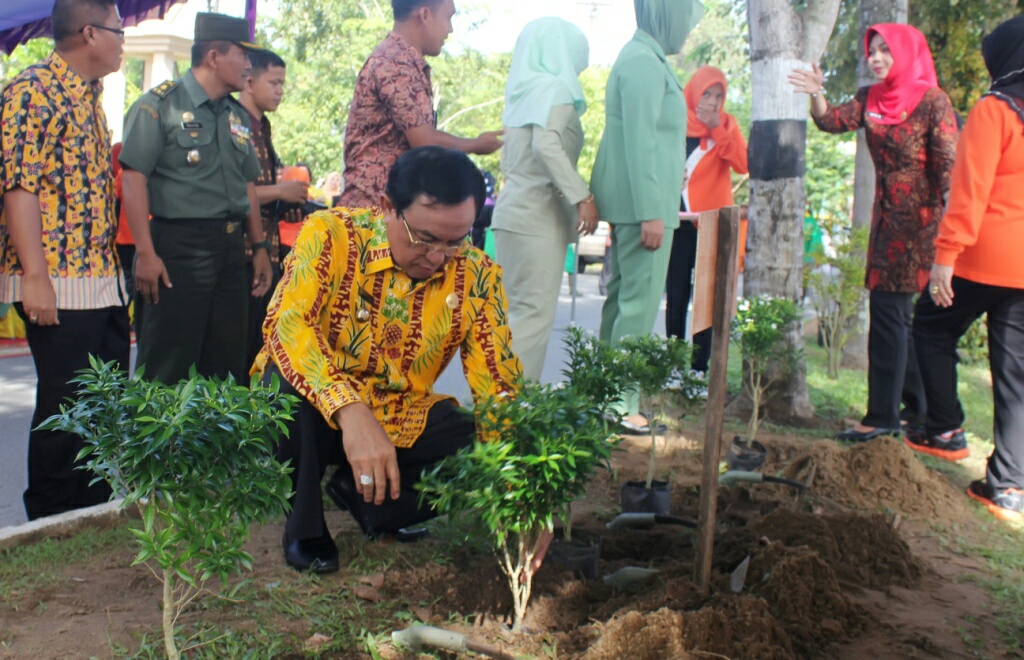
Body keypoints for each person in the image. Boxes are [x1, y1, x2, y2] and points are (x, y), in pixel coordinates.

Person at [254, 146, 522, 573]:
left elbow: (497, 385)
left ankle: (372, 502)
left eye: (457, 240)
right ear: (387, 207)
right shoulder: (331, 234)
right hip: (320, 410)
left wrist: (520, 491)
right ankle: (304, 526)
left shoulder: (478, 275)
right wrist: (349, 409)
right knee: (286, 384)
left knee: (480, 442)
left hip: (400, 415)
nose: (438, 257)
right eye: (425, 238)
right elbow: (288, 327)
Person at [789, 23, 959, 442]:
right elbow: (830, 121)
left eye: (885, 50)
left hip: (921, 230)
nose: (876, 58)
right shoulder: (871, 98)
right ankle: (917, 412)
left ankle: (882, 418)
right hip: (884, 226)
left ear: (907, 52)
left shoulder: (933, 101)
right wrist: (816, 91)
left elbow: (950, 176)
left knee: (888, 316)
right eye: (872, 50)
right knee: (899, 320)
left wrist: (950, 245)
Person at [0, 0, 129, 520]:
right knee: (65, 404)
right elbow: (19, 186)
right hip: (57, 279)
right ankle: (51, 519)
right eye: (119, 31)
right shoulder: (32, 91)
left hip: (100, 280)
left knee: (100, 403)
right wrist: (35, 277)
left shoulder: (90, 96)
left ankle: (89, 510)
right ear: (90, 33)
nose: (124, 41)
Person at [911, 15, 1024, 521]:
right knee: (1015, 373)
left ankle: (945, 429)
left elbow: (970, 191)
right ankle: (1008, 485)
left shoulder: (995, 109)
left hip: (982, 256)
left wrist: (945, 259)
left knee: (931, 327)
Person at [119, 13, 273, 385]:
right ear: (214, 57)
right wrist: (145, 253)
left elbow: (247, 186)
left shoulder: (236, 115)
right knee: (167, 365)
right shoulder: (158, 106)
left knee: (225, 367)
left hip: (230, 250)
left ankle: (214, 429)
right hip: (178, 248)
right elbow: (133, 180)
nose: (248, 65)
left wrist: (259, 247)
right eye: (242, 55)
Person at [591, 0, 704, 431]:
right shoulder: (643, 63)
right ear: (666, 15)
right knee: (636, 308)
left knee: (623, 302)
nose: (686, 32)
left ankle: (604, 397)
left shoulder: (643, 58)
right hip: (645, 209)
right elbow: (640, 143)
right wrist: (651, 212)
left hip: (641, 206)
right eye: (685, 22)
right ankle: (622, 405)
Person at [491, 17, 598, 382]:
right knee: (531, 319)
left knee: (509, 319)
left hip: (511, 215)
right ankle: (512, 410)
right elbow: (546, 145)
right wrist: (583, 196)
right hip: (538, 218)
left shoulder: (523, 92)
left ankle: (491, 405)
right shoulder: (556, 89)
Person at [338, 0, 504, 210]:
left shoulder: (402, 60)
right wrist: (476, 144)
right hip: (372, 211)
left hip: (388, 209)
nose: (450, 29)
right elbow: (424, 141)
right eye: (448, 17)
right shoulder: (395, 63)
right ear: (425, 15)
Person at [665, 65, 748, 376]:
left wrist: (717, 130)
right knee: (676, 295)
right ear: (693, 93)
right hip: (678, 222)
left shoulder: (728, 124)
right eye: (707, 94)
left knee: (706, 298)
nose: (712, 102)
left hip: (712, 225)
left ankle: (699, 368)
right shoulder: (675, 122)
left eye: (718, 96)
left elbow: (743, 164)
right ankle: (673, 366)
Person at [238, 48, 309, 370]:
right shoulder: (236, 122)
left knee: (260, 346)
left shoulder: (261, 125)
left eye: (282, 84)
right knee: (242, 349)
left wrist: (284, 205)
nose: (280, 91)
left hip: (266, 248)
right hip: (242, 251)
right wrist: (281, 191)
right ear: (249, 82)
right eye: (274, 82)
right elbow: (235, 190)